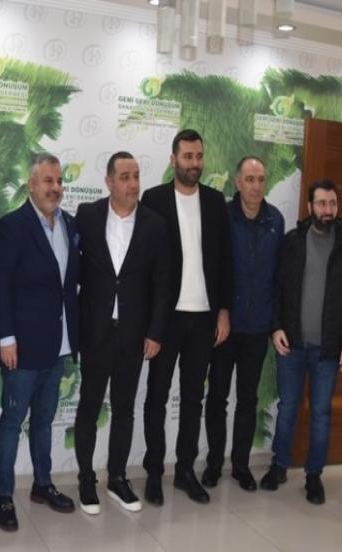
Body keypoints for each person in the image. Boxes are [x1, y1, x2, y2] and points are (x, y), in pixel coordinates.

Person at [73, 151, 170, 514]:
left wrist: (155, 332)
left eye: (136, 176)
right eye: (125, 177)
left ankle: (117, 478)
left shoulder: (155, 225)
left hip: (134, 334)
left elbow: (162, 284)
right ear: (109, 182)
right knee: (88, 406)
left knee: (124, 409)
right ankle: (86, 479)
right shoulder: (87, 216)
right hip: (95, 332)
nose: (133, 184)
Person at [140, 129, 232, 506]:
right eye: (188, 156)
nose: (194, 163)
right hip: (166, 319)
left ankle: (185, 472)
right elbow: (145, 264)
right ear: (173, 159)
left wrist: (223, 311)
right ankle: (153, 473)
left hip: (204, 318)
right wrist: (149, 321)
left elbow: (225, 260)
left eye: (199, 156)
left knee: (194, 398)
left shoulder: (215, 201)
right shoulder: (153, 199)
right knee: (157, 398)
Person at [260, 179, 342, 505]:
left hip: (329, 349)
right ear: (310, 207)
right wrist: (276, 327)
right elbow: (277, 289)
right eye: (321, 203)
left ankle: (313, 475)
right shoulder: (293, 241)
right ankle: (279, 466)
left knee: (321, 412)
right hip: (291, 344)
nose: (327, 210)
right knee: (288, 407)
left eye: (332, 203)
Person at [0, 153, 79, 531]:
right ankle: (4, 495)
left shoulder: (71, 225)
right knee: (12, 422)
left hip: (58, 346)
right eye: (47, 181)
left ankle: (43, 484)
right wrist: (6, 338)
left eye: (59, 181)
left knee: (44, 420)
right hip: (22, 348)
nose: (55, 188)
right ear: (31, 185)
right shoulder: (12, 227)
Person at [202, 156, 284, 491]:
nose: (255, 186)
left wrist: (275, 323)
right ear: (237, 182)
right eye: (249, 179)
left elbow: (279, 278)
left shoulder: (275, 220)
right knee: (217, 398)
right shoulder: (222, 215)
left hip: (258, 327)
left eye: (261, 179)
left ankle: (240, 466)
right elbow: (212, 269)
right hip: (225, 326)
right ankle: (213, 464)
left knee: (248, 400)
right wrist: (217, 314)